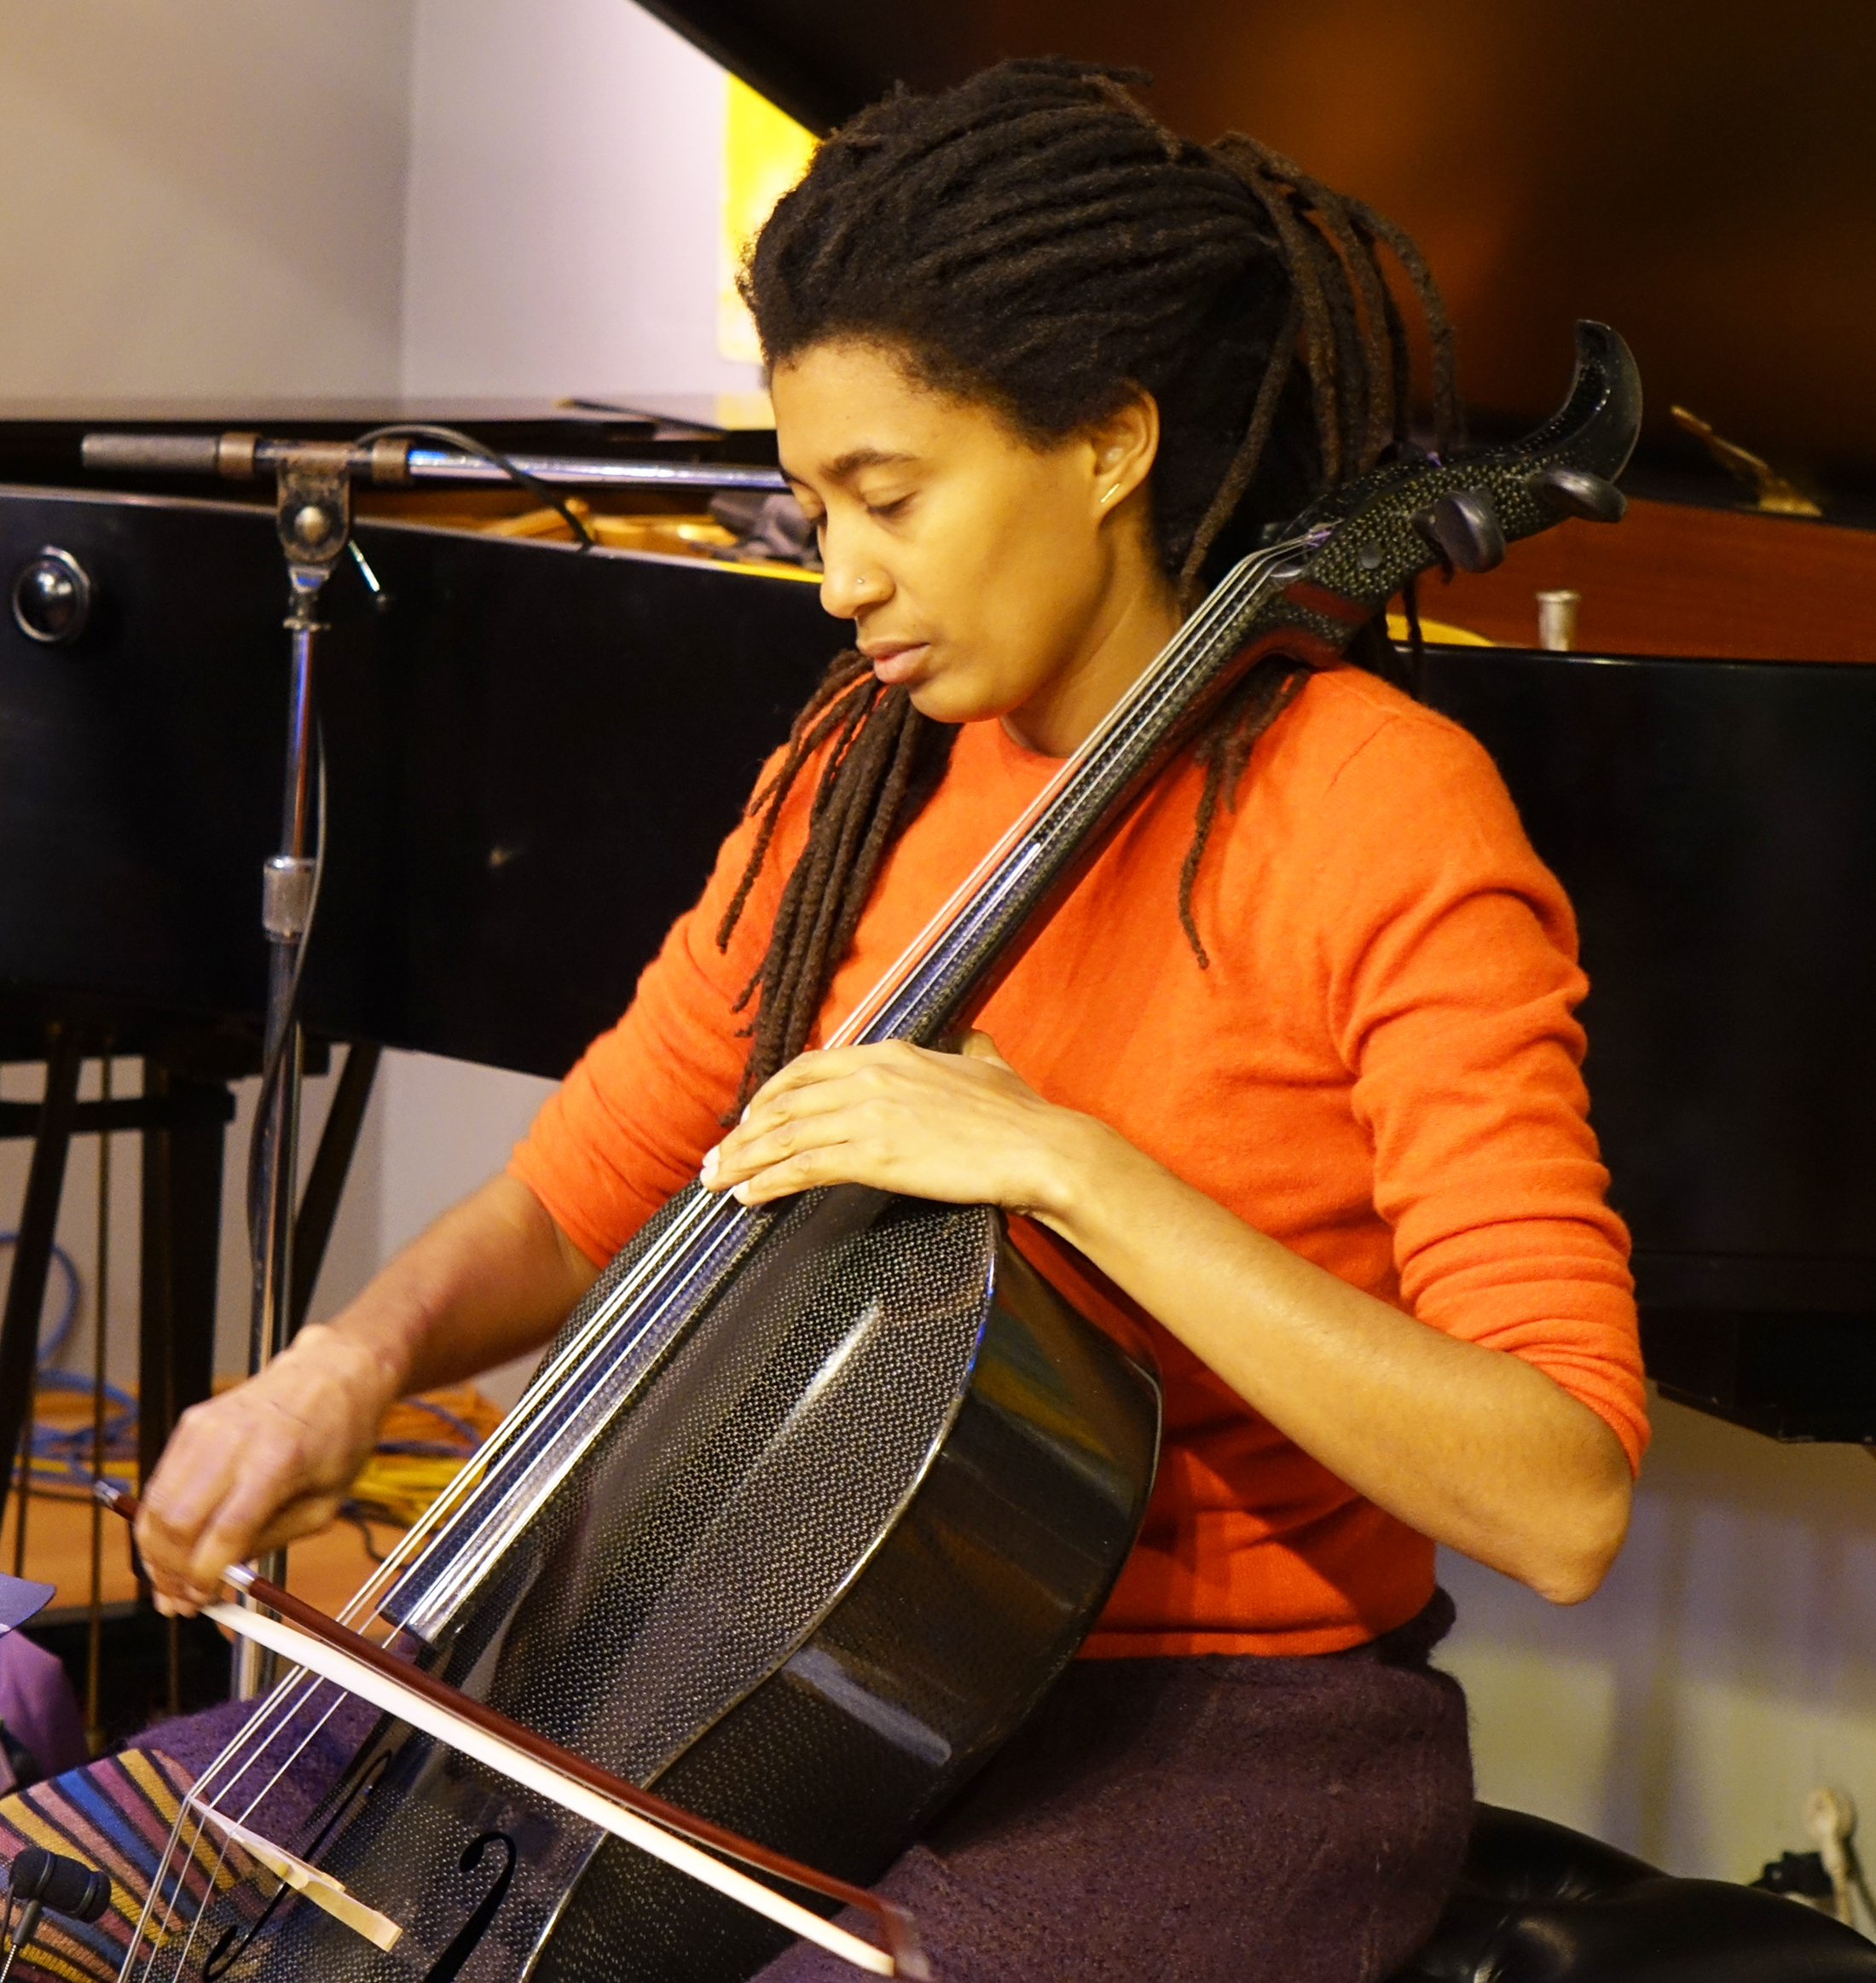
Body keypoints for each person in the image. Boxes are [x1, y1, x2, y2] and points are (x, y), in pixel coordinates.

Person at [4, 59, 1647, 1983]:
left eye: (888, 494)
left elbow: (1558, 1491)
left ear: (1107, 441)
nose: (840, 575)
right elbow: (572, 1196)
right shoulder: (858, 768)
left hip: (1210, 1731)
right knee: (82, 1885)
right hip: (741, 1646)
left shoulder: (1377, 808)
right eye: (810, 505)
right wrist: (342, 1366)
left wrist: (1059, 1160)